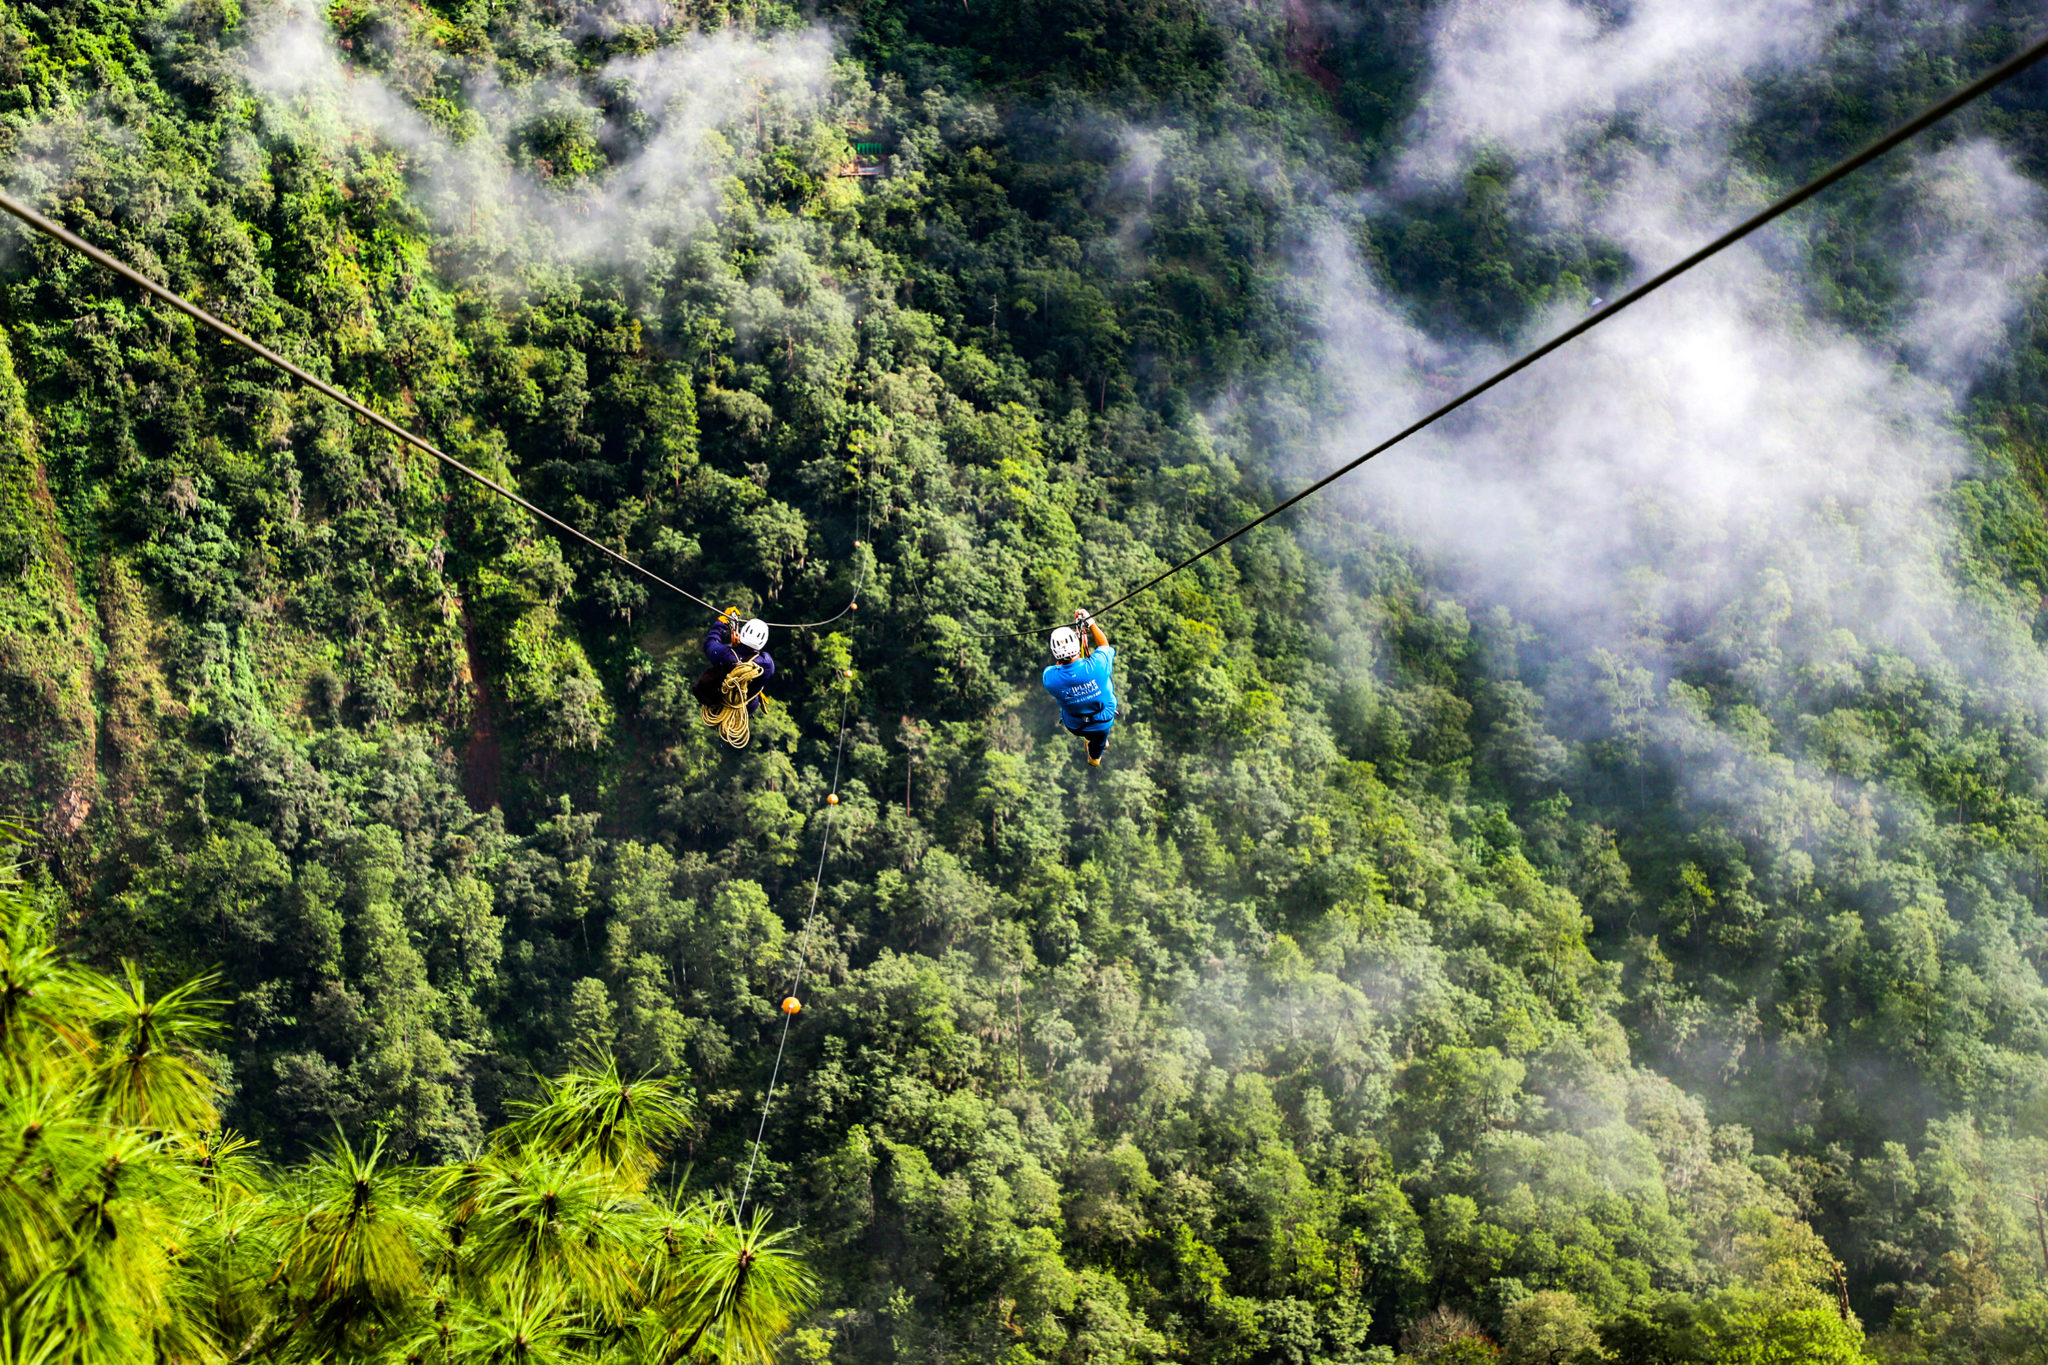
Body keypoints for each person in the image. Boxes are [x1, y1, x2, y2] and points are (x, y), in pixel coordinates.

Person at [1042, 609, 1116, 766]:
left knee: (1076, 708)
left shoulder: (1050, 679)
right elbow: (1104, 645)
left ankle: (1092, 739)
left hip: (1075, 725)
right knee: (1097, 752)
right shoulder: (1098, 666)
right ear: (1076, 645)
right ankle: (1094, 755)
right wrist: (1091, 623)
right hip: (1102, 720)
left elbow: (1057, 668)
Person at [695, 615, 775, 715]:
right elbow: (759, 656)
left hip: (719, 704)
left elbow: (710, 643)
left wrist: (722, 623)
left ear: (743, 633)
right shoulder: (767, 665)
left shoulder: (724, 654)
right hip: (746, 707)